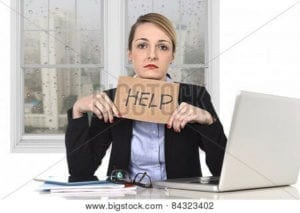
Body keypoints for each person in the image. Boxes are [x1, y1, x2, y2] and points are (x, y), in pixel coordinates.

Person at [65, 13, 227, 183]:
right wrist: (78, 111)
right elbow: (80, 172)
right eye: (142, 45)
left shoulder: (195, 96)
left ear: (172, 56)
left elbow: (223, 171)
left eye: (162, 47)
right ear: (130, 53)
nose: (152, 55)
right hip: (126, 199)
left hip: (180, 199)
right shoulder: (111, 100)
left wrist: (209, 122)